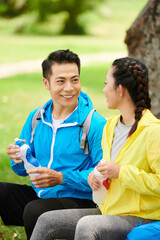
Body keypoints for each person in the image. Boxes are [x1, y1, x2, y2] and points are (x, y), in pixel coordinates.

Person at [30, 57, 160, 240]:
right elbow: (106, 169)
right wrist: (95, 176)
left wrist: (121, 172)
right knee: (46, 221)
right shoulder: (110, 126)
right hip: (108, 211)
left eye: (107, 84)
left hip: (143, 218)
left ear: (120, 90)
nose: (103, 89)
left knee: (88, 225)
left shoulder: (153, 132)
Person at [0, 49, 106, 239]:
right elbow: (23, 170)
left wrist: (61, 178)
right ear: (46, 83)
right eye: (60, 81)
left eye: (75, 80)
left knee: (36, 210)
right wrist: (18, 157)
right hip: (43, 195)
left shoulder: (95, 123)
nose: (69, 88)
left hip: (82, 201)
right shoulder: (37, 118)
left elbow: (104, 177)